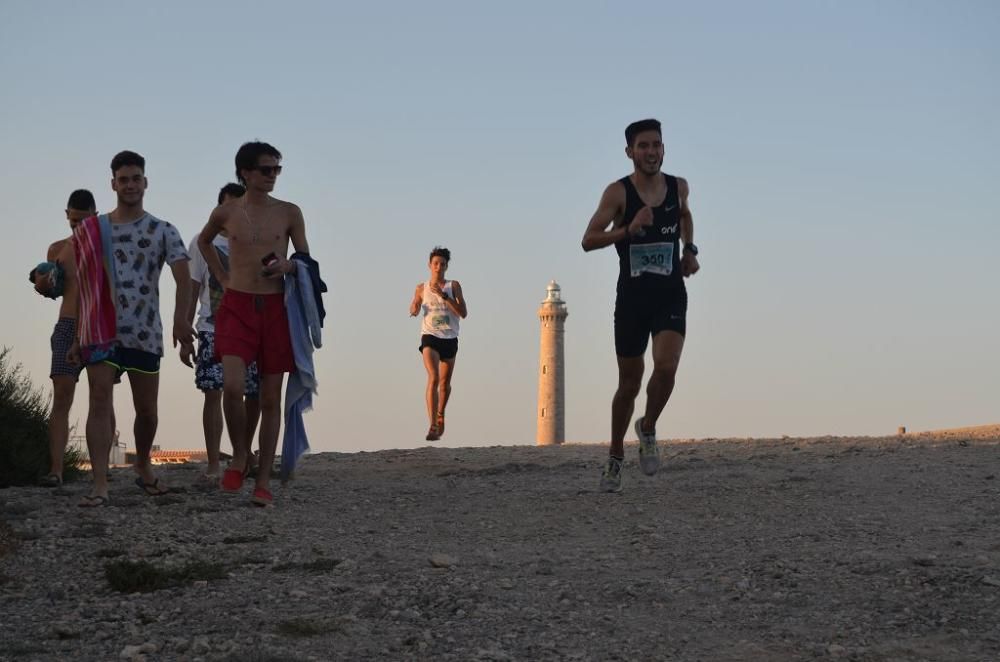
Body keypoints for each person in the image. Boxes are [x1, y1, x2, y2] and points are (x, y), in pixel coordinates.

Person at [67, 150, 194, 506]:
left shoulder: (163, 230)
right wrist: (78, 335)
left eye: (136, 178)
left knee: (147, 410)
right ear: (113, 184)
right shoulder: (92, 231)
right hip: (101, 331)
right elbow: (83, 287)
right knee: (99, 400)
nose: (130, 185)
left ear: (145, 182)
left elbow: (184, 278)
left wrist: (181, 319)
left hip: (144, 331)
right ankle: (99, 484)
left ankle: (142, 464)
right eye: (123, 180)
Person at [580, 119, 700, 493]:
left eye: (657, 145)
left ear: (663, 149)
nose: (651, 152)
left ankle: (647, 427)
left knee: (666, 367)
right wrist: (627, 230)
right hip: (632, 300)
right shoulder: (618, 193)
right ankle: (615, 456)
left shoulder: (678, 187)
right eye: (644, 146)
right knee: (629, 384)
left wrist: (690, 250)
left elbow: (684, 214)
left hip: (669, 294)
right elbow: (588, 239)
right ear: (630, 152)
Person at [197, 141, 310, 507]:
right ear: (245, 172)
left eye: (277, 169)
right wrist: (222, 276)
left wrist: (289, 265)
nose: (273, 175)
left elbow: (306, 259)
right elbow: (203, 242)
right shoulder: (226, 212)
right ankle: (241, 454)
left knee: (269, 397)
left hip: (276, 307)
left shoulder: (290, 212)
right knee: (231, 386)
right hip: (237, 304)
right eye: (266, 169)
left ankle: (263, 479)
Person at [30, 190, 116, 486]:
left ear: (94, 216)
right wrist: (42, 286)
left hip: (99, 326)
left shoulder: (107, 245)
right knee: (62, 396)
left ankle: (102, 471)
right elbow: (54, 290)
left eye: (83, 221)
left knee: (103, 398)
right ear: (67, 215)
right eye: (73, 221)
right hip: (67, 324)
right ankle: (56, 470)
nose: (78, 226)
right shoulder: (57, 249)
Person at [181, 183, 261, 483]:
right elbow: (192, 288)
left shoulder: (254, 243)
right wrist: (185, 330)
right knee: (213, 392)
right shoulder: (201, 243)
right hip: (211, 327)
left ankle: (245, 451)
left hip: (250, 328)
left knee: (251, 392)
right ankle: (215, 461)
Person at [409, 246, 467, 441]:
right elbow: (414, 306)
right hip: (430, 336)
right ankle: (432, 424)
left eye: (442, 264)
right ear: (429, 265)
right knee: (433, 377)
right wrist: (415, 307)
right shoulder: (421, 288)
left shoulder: (454, 286)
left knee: (444, 384)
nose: (438, 267)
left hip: (449, 338)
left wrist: (444, 296)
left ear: (446, 266)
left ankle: (441, 413)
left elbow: (463, 313)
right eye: (435, 264)